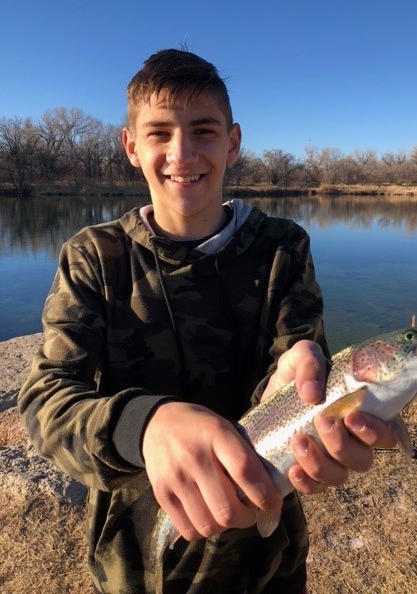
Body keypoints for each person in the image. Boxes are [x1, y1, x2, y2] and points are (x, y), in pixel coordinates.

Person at [18, 49, 395, 594]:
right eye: (159, 133)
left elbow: (293, 366)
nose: (182, 152)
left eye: (203, 130)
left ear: (233, 142)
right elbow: (45, 399)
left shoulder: (282, 248)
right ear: (130, 146)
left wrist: (305, 393)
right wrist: (146, 425)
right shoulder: (94, 257)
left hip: (269, 557)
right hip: (137, 562)